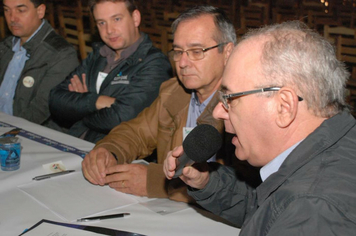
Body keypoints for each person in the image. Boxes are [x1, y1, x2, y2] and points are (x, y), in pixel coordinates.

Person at [164, 20, 356, 234]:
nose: (218, 112)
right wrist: (208, 183)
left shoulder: (313, 211)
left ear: (284, 107)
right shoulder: (333, 147)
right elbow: (269, 210)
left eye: (230, 98)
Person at [81, 6, 241, 202]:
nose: (182, 62)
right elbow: (136, 133)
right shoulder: (174, 91)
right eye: (178, 51)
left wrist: (159, 183)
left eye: (196, 51)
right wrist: (109, 151)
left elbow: (243, 188)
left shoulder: (241, 106)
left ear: (227, 52)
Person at [49, 0, 172, 143]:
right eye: (101, 23)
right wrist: (96, 101)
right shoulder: (98, 55)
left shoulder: (155, 63)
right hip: (78, 140)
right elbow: (55, 99)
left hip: (116, 152)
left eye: (117, 19)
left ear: (135, 18)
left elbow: (121, 118)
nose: (109, 30)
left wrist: (79, 109)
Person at [0, 0, 79, 131]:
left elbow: (39, 111)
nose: (12, 18)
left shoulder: (61, 54)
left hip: (29, 136)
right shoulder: (5, 46)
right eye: (7, 10)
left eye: (21, 10)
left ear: (40, 11)